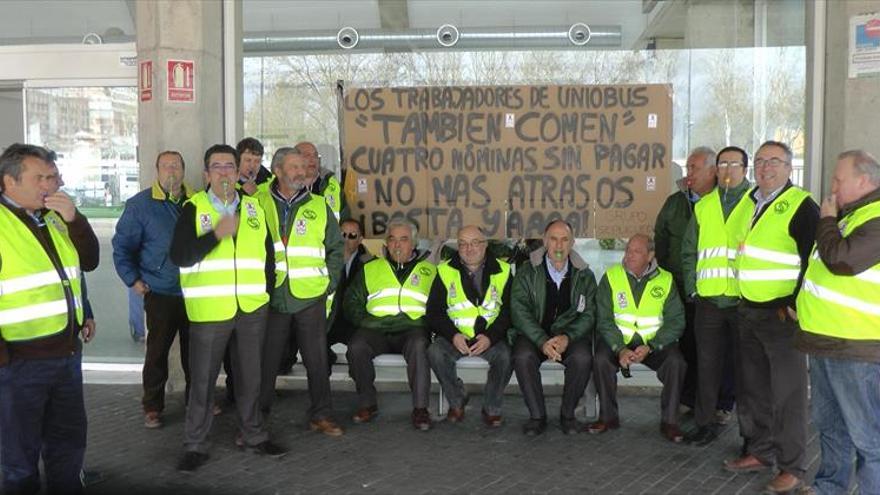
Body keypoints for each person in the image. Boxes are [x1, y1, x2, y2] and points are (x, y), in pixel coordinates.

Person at [170, 144, 286, 472]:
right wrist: (215, 234)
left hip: (251, 309)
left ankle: (255, 435)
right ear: (206, 174)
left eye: (229, 166)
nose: (224, 172)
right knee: (203, 381)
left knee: (251, 377)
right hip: (209, 310)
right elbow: (180, 256)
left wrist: (264, 290)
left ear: (238, 173)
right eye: (216, 166)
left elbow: (268, 256)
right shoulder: (193, 208)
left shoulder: (254, 208)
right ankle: (195, 444)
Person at [0, 143, 99, 494]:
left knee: (68, 443)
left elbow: (80, 266)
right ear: (9, 182)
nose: (50, 184)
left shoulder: (55, 215)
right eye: (40, 177)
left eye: (53, 176)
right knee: (19, 456)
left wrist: (83, 310)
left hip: (66, 355)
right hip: (18, 363)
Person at [723, 141, 818, 494]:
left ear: (789, 167)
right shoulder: (750, 202)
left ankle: (793, 467)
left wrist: (794, 302)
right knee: (753, 390)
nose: (765, 167)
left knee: (788, 395)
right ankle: (760, 451)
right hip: (749, 309)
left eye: (773, 161)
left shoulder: (801, 206)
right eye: (760, 161)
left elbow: (814, 260)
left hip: (781, 316)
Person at [795, 150, 880, 495]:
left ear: (864, 180)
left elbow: (841, 261)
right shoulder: (852, 216)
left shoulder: (873, 218)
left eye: (837, 180)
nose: (831, 187)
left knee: (866, 436)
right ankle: (829, 486)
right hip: (825, 341)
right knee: (830, 427)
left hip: (855, 348)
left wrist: (826, 220)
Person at [255, 147, 344, 436]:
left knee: (317, 361)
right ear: (278, 171)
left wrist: (328, 283)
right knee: (267, 362)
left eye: (303, 167)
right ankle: (258, 417)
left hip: (310, 296)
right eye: (293, 167)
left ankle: (322, 415)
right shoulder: (257, 202)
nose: (301, 171)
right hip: (273, 296)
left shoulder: (319, 205)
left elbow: (335, 248)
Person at [112, 150, 192, 429]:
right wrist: (132, 279)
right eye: (166, 166)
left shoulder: (197, 201)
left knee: (195, 354)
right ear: (156, 171)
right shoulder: (141, 205)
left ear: (184, 169)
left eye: (177, 165)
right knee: (157, 353)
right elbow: (122, 247)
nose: (172, 171)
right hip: (160, 292)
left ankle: (197, 403)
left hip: (195, 293)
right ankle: (152, 406)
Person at [681, 146, 752, 446]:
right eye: (722, 164)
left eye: (733, 164)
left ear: (745, 170)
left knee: (748, 371)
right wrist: (693, 289)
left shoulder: (755, 203)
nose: (726, 170)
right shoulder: (704, 206)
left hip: (743, 302)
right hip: (709, 301)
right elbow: (689, 251)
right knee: (707, 366)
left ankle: (751, 436)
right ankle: (705, 423)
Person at [593, 234, 687, 443]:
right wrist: (619, 348)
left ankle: (670, 422)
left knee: (676, 363)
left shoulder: (666, 279)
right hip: (620, 341)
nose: (630, 255)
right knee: (600, 360)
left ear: (650, 255)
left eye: (637, 251)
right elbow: (604, 319)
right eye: (628, 250)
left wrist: (652, 346)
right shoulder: (611, 276)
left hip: (652, 343)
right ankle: (608, 417)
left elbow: (676, 321)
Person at [344, 218, 436, 431]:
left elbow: (438, 307)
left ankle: (420, 409)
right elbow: (351, 301)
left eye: (404, 239)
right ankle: (367, 404)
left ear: (413, 244)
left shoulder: (429, 271)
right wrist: (365, 321)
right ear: (386, 243)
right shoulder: (371, 267)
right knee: (356, 346)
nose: (397, 244)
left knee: (420, 345)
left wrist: (426, 325)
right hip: (376, 329)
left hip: (411, 330)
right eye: (392, 239)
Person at [509, 220, 598, 436]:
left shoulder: (585, 275)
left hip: (569, 335)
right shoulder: (527, 271)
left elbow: (590, 313)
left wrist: (568, 337)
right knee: (522, 357)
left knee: (583, 358)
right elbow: (519, 310)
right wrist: (541, 340)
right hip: (534, 335)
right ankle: (537, 416)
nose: (559, 246)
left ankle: (568, 415)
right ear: (545, 241)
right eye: (553, 239)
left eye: (564, 240)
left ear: (573, 243)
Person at [654, 146, 725, 414]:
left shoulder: (724, 202)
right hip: (681, 292)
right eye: (687, 168)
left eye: (694, 168)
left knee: (714, 352)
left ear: (712, 170)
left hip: (714, 293)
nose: (689, 174)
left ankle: (718, 405)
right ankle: (689, 400)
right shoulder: (675, 202)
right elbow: (660, 240)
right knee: (687, 348)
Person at [427, 225, 513, 427]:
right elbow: (434, 312)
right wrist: (453, 335)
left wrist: (490, 337)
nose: (469, 248)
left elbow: (510, 311)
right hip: (455, 337)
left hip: (490, 336)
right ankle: (457, 401)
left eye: (475, 242)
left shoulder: (504, 271)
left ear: (485, 245)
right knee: (435, 353)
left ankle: (492, 407)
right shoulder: (444, 271)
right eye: (463, 244)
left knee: (506, 356)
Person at [326, 219, 373, 358]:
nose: (346, 239)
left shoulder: (369, 263)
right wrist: (339, 264)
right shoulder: (326, 261)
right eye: (342, 234)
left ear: (360, 239)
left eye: (352, 235)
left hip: (356, 323)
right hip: (331, 321)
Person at [295, 141, 345, 221]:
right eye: (307, 155)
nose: (312, 159)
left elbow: (345, 218)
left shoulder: (331, 185)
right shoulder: (285, 186)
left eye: (315, 155)